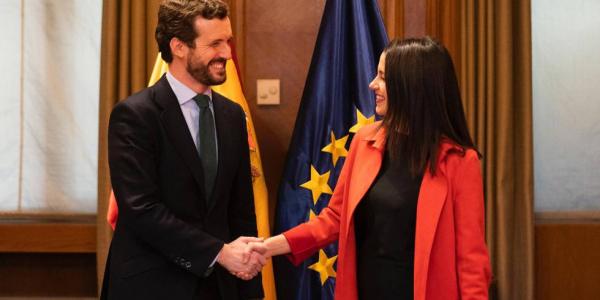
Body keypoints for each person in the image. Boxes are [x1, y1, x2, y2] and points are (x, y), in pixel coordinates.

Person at [252, 37, 492, 299]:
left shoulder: (459, 161)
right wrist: (267, 247)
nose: (372, 85)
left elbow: (471, 261)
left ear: (410, 86)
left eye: (382, 77)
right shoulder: (364, 142)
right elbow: (333, 219)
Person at [101, 0, 265, 299]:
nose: (227, 54)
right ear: (178, 46)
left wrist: (251, 290)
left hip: (219, 286)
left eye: (227, 41)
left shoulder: (232, 116)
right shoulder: (135, 115)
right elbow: (142, 210)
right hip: (153, 285)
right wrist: (218, 253)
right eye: (215, 43)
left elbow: (241, 214)